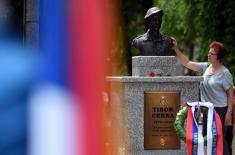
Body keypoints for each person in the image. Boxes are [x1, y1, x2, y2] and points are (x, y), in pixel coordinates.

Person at [171, 38, 233, 155]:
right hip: (207, 110)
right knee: (209, 141)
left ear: (219, 57)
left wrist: (229, 113)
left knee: (220, 141)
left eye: (212, 53)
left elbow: (230, 94)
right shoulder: (206, 67)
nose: (208, 55)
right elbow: (187, 63)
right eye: (209, 52)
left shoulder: (225, 73)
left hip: (220, 111)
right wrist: (176, 48)